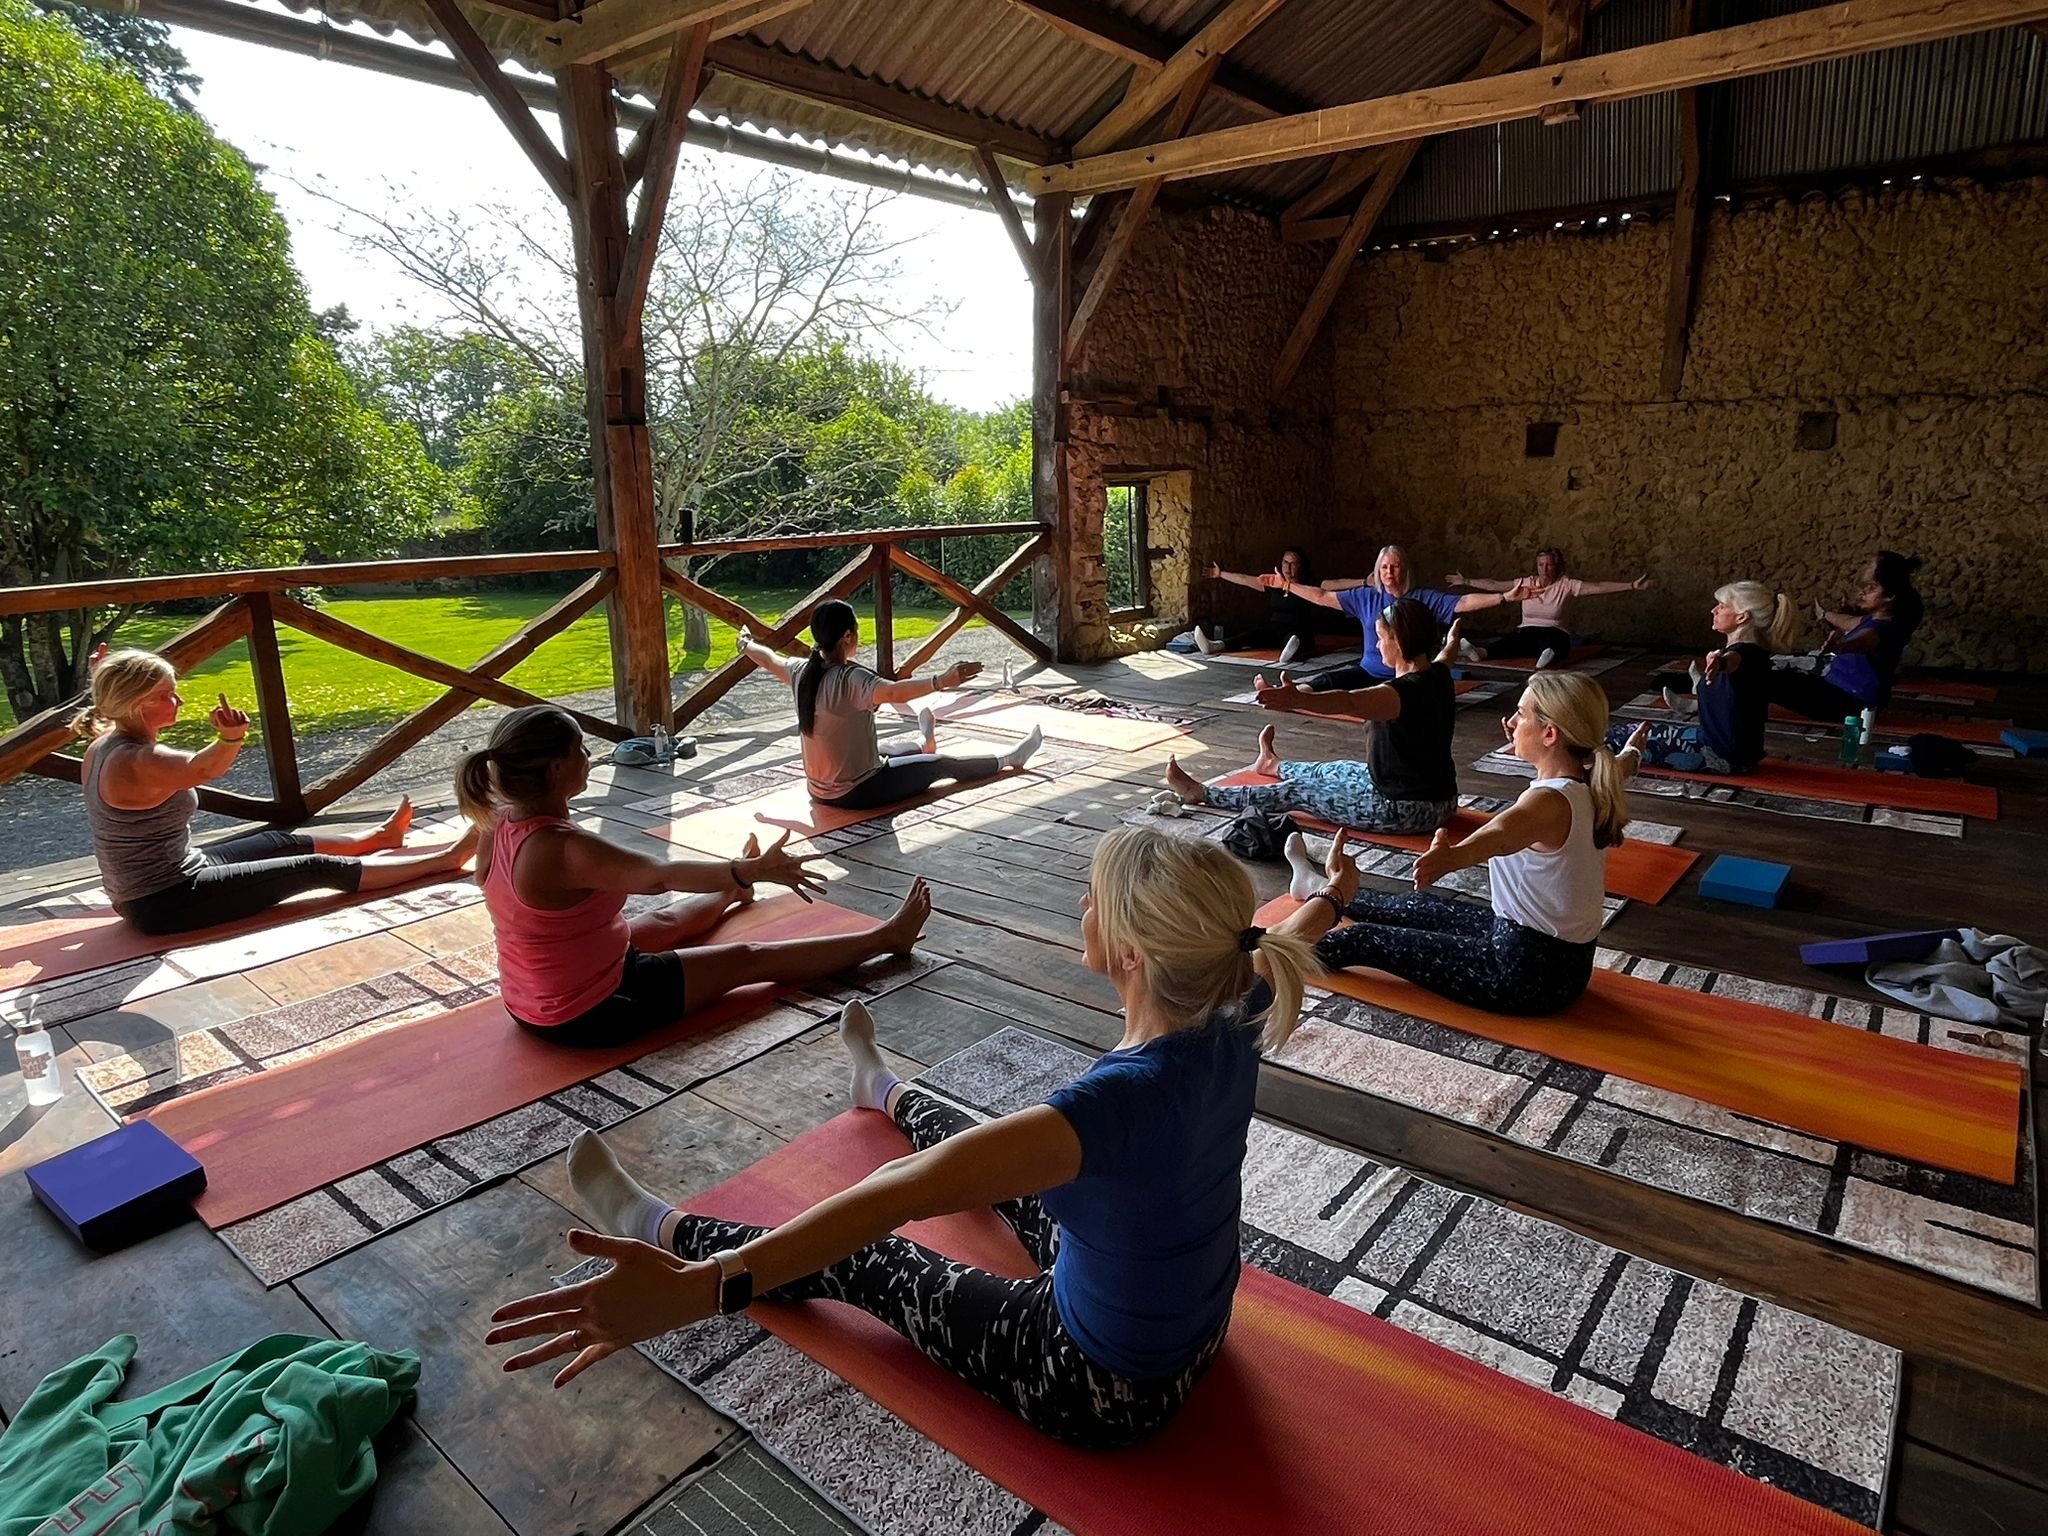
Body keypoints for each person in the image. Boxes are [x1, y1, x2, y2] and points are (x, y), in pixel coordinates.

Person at [485, 827, 1363, 1448]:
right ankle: (884, 1088)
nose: (1082, 904)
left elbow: (892, 1199)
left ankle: (668, 1235)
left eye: (1094, 896)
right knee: (989, 1152)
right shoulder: (1236, 996)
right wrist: (1326, 895)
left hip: (1104, 1387)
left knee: (870, 1255)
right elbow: (1289, 933)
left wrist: (701, 1292)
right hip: (1198, 1330)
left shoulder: (1112, 1106)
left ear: (1132, 953)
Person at [456, 704, 930, 1046]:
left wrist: (736, 877)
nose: (589, 757)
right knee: (748, 958)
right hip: (589, 1012)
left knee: (664, 925)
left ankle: (733, 892)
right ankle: (887, 939)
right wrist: (752, 868)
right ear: (557, 767)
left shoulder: (498, 819)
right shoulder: (560, 848)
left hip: (529, 1001)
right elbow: (660, 876)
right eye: (580, 748)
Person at [76, 649, 475, 936]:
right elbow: (201, 768)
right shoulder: (140, 760)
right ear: (139, 704)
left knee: (277, 841)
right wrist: (231, 737)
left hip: (160, 881)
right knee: (316, 869)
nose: (178, 700)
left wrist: (104, 671)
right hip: (166, 901)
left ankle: (379, 839)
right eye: (167, 694)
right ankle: (447, 859)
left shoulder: (104, 744)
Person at [1315, 672, 1643, 1016]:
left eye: (1521, 714)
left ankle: (1274, 954)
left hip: (1526, 975)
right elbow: (1621, 766)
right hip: (1558, 961)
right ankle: (1322, 894)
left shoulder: (1547, 802)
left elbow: (1500, 834)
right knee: (1415, 908)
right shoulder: (1592, 780)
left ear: (1550, 733)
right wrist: (1634, 751)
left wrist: (1453, 858)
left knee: (1363, 939)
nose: (1511, 722)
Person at [1161, 604, 1462, 835]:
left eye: (1381, 637)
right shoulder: (1436, 673)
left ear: (1398, 641)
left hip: (1408, 809)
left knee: (1299, 792)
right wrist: (1452, 640)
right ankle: (1272, 766)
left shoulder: (1398, 694)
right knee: (1338, 770)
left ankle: (1202, 793)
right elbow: (1446, 655)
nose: (1377, 644)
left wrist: (1298, 699)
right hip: (1439, 798)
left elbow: (1349, 700)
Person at [739, 601, 1041, 809]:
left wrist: (745, 644)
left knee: (888, 750)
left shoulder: (800, 671)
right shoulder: (851, 678)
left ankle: (924, 741)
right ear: (847, 636)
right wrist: (942, 681)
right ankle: (1010, 759)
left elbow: (767, 658)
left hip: (818, 791)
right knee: (943, 765)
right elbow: (896, 692)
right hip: (860, 791)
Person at [1614, 581, 1798, 774]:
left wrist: (1720, 662)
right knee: (1635, 731)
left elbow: (1732, 661)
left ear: (1742, 617)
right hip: (1728, 751)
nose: (1714, 610)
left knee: (1616, 739)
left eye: (1722, 606)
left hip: (1720, 756)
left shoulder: (1744, 654)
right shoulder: (1755, 653)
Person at [1273, 545, 1506, 691]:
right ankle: (1289, 692)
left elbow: (1463, 602)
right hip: (1370, 672)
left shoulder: (1422, 598)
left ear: (1404, 570)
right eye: (1384, 568)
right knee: (1328, 681)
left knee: (1383, 698)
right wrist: (1286, 585)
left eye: (1394, 567)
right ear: (1377, 571)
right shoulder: (1365, 597)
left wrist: (1504, 597)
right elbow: (1322, 595)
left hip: (1409, 678)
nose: (1389, 573)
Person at [1766, 551, 1925, 721]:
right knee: (1768, 671)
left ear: (1889, 597)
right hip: (1836, 689)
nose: (1862, 593)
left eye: (1871, 588)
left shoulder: (1883, 630)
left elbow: (1865, 640)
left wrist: (1839, 647)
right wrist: (1824, 613)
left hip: (1852, 704)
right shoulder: (1871, 620)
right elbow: (1847, 620)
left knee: (1762, 679)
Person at [1444, 548, 1655, 669]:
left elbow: (1598, 587)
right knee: (1512, 641)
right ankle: (1480, 652)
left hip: (1555, 632)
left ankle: (1549, 654)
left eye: (1549, 565)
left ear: (1557, 566)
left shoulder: (1567, 585)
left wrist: (1631, 585)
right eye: (1540, 565)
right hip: (1527, 630)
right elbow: (1494, 585)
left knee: (1557, 642)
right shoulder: (1526, 582)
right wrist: (1467, 580)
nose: (1544, 569)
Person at [1193, 548, 1331, 663]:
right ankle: (1215, 646)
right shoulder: (1274, 583)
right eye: (1285, 563)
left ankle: (1290, 653)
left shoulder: (1311, 585)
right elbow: (1245, 579)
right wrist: (1220, 574)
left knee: (1296, 639)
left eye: (1293, 564)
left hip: (1299, 630)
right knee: (1251, 635)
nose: (1288, 568)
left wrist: (1354, 586)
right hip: (1276, 628)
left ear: (1301, 566)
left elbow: (1337, 584)